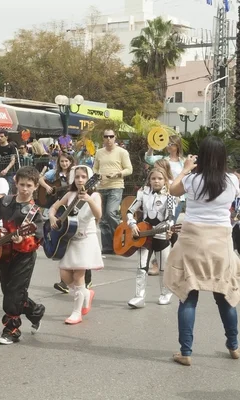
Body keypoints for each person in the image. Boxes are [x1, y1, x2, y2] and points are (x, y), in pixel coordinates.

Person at [164, 136, 240, 366]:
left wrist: (185, 169)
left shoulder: (192, 180)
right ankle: (234, 346)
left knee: (188, 296)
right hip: (220, 243)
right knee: (224, 295)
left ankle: (185, 352)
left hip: (192, 242)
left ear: (203, 157)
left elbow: (172, 190)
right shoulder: (232, 180)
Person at [0, 166, 46, 345]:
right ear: (15, 183)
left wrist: (22, 241)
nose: (25, 189)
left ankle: (12, 329)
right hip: (4, 254)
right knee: (8, 289)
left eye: (29, 185)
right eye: (22, 184)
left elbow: (37, 240)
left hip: (24, 256)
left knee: (14, 292)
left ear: (35, 187)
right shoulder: (5, 202)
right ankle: (36, 311)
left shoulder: (35, 213)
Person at [48, 165, 102, 324]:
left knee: (79, 274)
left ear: (89, 179)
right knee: (64, 274)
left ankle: (76, 312)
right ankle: (86, 292)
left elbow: (98, 215)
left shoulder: (95, 195)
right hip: (70, 238)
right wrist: (52, 217)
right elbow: (53, 208)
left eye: (83, 177)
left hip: (87, 238)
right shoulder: (70, 194)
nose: (80, 180)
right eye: (77, 177)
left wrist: (89, 200)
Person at [126, 167, 176, 308]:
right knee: (141, 267)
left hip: (161, 235)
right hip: (144, 234)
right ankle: (139, 296)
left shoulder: (170, 196)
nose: (156, 181)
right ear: (149, 180)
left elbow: (171, 217)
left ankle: (165, 293)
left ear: (165, 180)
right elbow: (130, 211)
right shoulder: (142, 194)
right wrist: (132, 224)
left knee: (163, 268)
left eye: (160, 178)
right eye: (153, 178)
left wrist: (168, 227)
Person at [93, 129, 133, 255]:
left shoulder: (122, 152)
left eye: (111, 136)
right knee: (103, 218)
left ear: (115, 137)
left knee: (111, 213)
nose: (109, 139)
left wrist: (118, 174)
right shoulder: (99, 152)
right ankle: (107, 247)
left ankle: (120, 239)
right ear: (103, 138)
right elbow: (95, 167)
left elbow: (129, 169)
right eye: (106, 136)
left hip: (116, 186)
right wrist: (97, 175)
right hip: (101, 187)